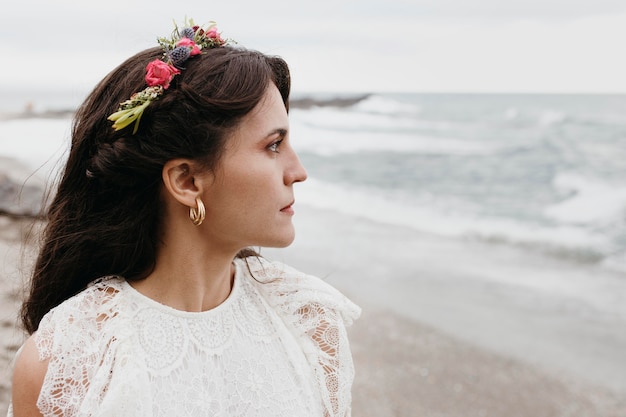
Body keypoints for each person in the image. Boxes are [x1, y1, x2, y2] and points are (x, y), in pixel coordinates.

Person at [9, 19, 360, 417]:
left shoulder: (309, 321)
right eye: (274, 145)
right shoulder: (68, 360)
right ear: (187, 180)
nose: (298, 171)